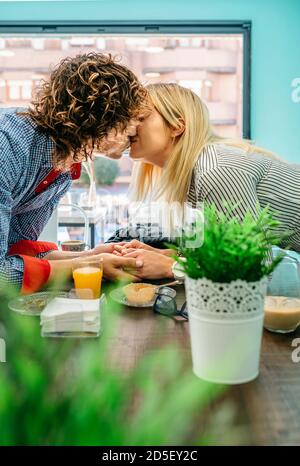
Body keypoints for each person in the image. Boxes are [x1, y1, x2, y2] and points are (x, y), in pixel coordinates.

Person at [114, 82, 300, 279]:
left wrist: (171, 267)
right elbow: (226, 254)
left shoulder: (216, 171)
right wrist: (165, 255)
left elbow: (254, 268)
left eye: (140, 118)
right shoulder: (197, 170)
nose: (130, 126)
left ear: (177, 126)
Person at [0, 52, 148, 294]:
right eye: (135, 118)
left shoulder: (65, 167)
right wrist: (89, 265)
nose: (139, 127)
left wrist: (90, 256)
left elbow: (16, 248)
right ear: (103, 117)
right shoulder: (6, 147)